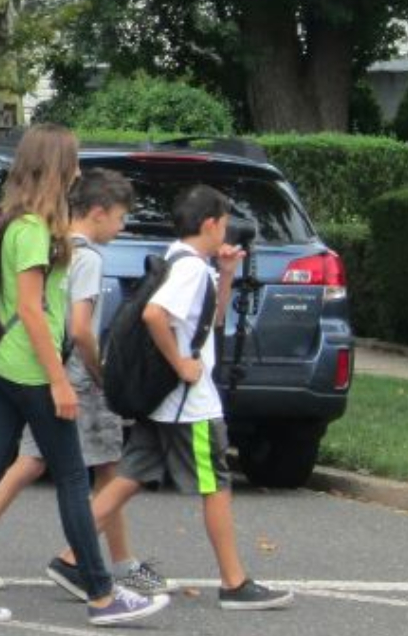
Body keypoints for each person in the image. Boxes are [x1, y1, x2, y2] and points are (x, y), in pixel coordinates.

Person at [0, 124, 169, 627]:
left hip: (6, 363)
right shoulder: (32, 230)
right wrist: (59, 380)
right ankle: (102, 594)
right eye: (73, 161)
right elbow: (31, 309)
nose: (79, 171)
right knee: (72, 479)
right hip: (32, 369)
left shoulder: (15, 221)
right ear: (56, 167)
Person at [87, 184, 294, 611]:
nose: (227, 231)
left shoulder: (182, 259)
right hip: (189, 405)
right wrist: (181, 364)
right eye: (225, 222)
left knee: (129, 476)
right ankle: (234, 582)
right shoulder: (191, 270)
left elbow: (206, 321)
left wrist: (228, 275)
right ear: (211, 224)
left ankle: (73, 556)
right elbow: (155, 314)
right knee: (216, 484)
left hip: (164, 403)